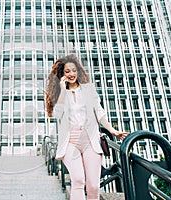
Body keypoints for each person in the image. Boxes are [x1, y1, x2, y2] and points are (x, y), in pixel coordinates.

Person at [45, 54, 129, 200]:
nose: (71, 74)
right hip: (71, 141)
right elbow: (57, 115)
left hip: (91, 141)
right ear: (62, 74)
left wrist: (112, 130)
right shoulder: (61, 93)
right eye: (67, 71)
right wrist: (63, 90)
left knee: (94, 185)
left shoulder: (88, 89)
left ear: (78, 71)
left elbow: (99, 112)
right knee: (78, 180)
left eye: (74, 70)